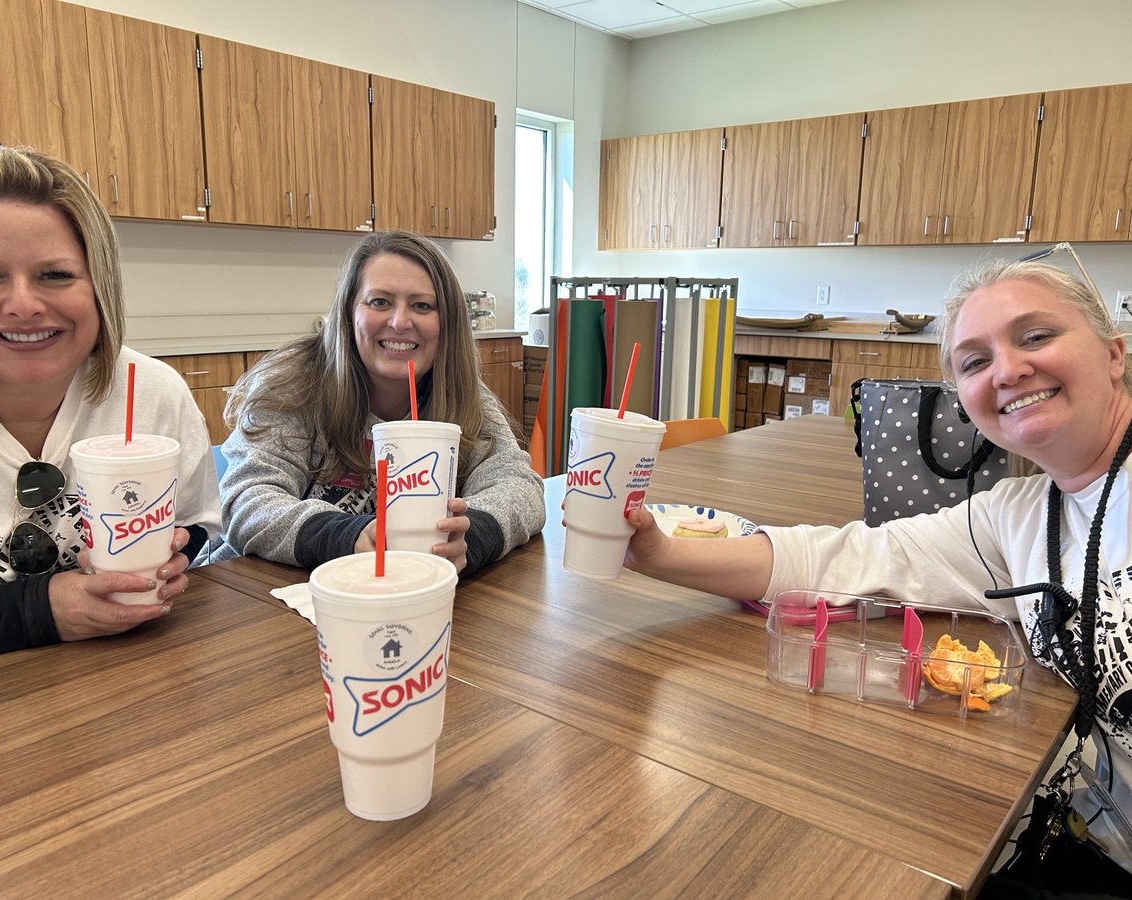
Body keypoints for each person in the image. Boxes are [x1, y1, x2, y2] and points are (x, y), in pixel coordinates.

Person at [619, 259, 1132, 886]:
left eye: (1035, 336)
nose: (1007, 369)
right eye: (974, 362)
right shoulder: (1015, 515)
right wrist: (659, 553)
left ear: (1114, 353)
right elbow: (852, 557)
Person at [0, 145, 221, 660]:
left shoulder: (152, 393)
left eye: (56, 274)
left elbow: (197, 526)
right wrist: (37, 610)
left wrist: (175, 555)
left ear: (99, 286)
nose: (22, 304)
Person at [212, 230, 544, 575]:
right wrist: (350, 536)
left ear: (447, 324)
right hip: (257, 595)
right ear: (348, 313)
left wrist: (468, 537)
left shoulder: (463, 396)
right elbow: (247, 502)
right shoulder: (293, 386)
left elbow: (520, 487)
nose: (400, 322)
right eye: (380, 302)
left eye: (422, 305)